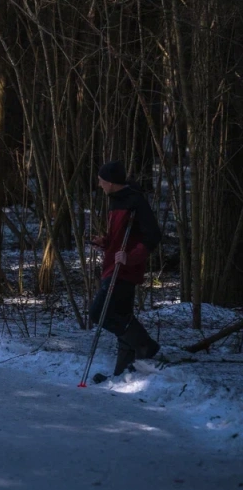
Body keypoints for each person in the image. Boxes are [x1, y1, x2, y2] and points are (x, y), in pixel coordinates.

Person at [89, 160, 161, 376]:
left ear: (111, 182)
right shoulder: (114, 201)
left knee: (99, 312)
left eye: (102, 181)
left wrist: (130, 257)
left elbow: (153, 236)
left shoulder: (135, 201)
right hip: (112, 266)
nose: (100, 184)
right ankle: (123, 372)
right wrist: (105, 242)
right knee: (122, 314)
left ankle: (145, 345)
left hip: (125, 270)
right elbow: (117, 237)